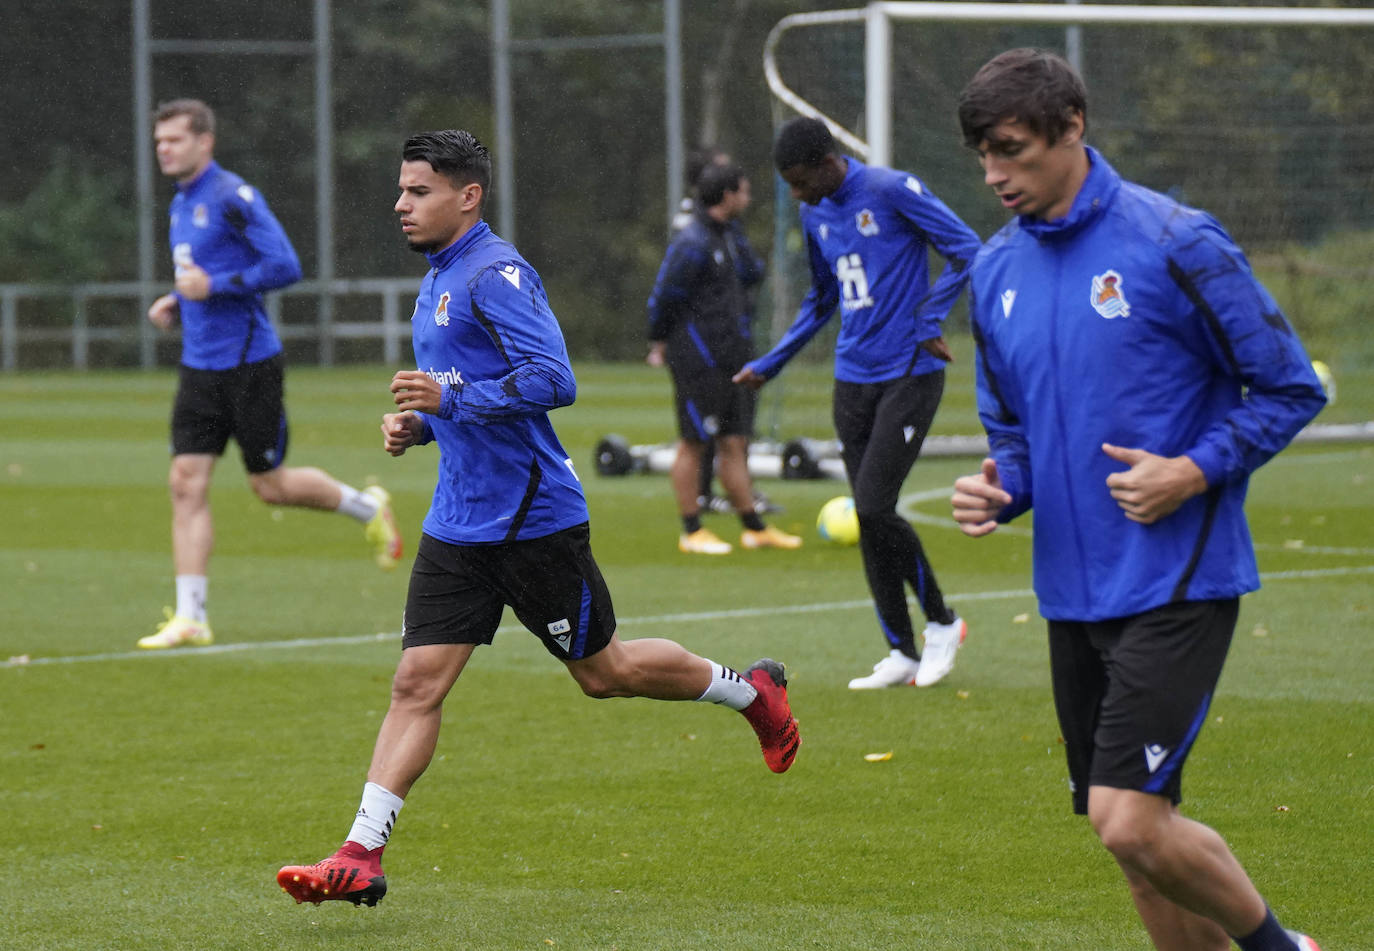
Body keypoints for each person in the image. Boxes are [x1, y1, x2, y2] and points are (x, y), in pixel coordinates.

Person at [275, 130, 801, 908]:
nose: (400, 204)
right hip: (459, 521)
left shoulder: (498, 272)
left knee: (606, 673)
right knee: (416, 682)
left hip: (531, 516)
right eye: (401, 189)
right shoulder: (438, 274)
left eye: (418, 191)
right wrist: (422, 427)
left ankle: (752, 693)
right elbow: (461, 384)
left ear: (468, 196)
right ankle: (361, 852)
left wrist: (448, 402)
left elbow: (554, 380)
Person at [950, 49, 1326, 951]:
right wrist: (1005, 486)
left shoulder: (1173, 241)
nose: (997, 174)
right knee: (1135, 841)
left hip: (1177, 578)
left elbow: (1288, 386)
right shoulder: (992, 273)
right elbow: (1012, 425)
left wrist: (1190, 470)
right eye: (983, 157)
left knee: (1127, 818)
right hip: (1072, 593)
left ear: (1071, 127)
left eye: (1012, 150)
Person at [139, 98, 401, 650]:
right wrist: (176, 301)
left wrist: (215, 288)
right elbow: (200, 274)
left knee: (270, 487)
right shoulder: (181, 202)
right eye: (159, 140)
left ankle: (366, 506)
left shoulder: (233, 196)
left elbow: (285, 266)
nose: (163, 148)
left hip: (249, 364)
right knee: (185, 483)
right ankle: (192, 616)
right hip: (198, 366)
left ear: (204, 142)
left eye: (174, 139)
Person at [734, 117, 982, 689]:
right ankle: (901, 649)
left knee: (873, 506)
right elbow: (822, 300)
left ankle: (943, 622)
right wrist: (772, 363)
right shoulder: (812, 211)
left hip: (910, 373)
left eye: (800, 182)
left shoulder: (892, 190)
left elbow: (967, 249)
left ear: (826, 163)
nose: (795, 195)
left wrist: (929, 316)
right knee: (872, 521)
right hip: (853, 379)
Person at [647, 162, 802, 555]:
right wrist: (658, 340)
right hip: (701, 359)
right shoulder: (692, 241)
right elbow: (665, 295)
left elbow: (753, 274)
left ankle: (754, 527)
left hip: (736, 355)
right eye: (745, 191)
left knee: (735, 442)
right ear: (728, 195)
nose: (749, 199)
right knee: (694, 442)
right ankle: (692, 530)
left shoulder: (729, 235)